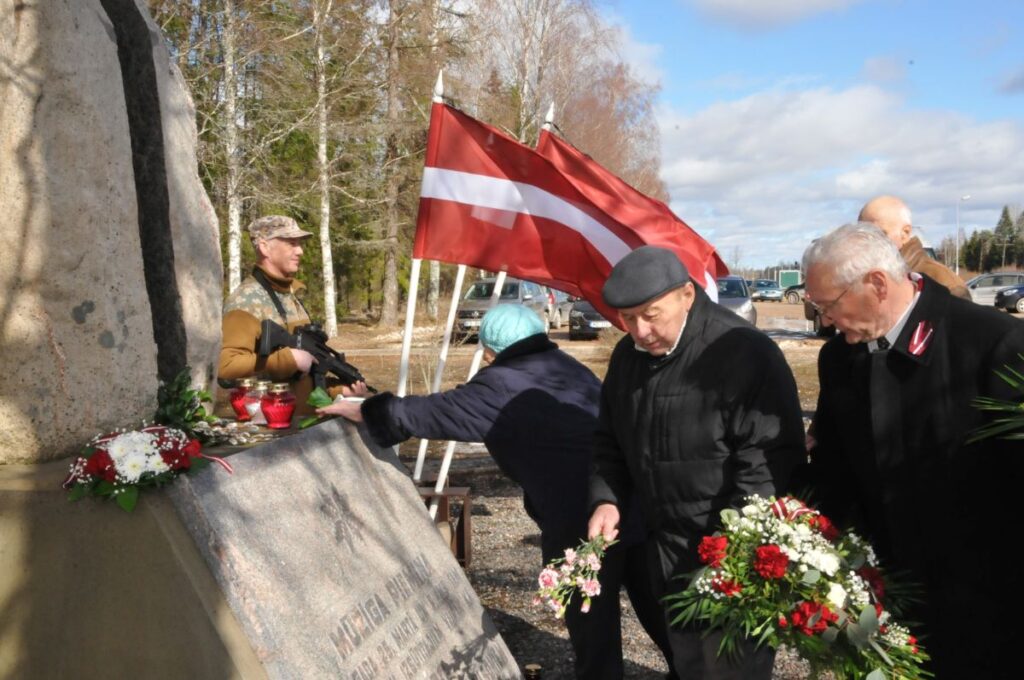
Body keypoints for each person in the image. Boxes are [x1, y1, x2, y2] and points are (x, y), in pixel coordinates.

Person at [318, 304, 675, 679]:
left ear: (489, 352)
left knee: (594, 630)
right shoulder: (566, 366)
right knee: (660, 608)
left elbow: (433, 412)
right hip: (630, 499)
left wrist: (366, 409)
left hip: (578, 519)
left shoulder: (498, 387)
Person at [802, 223, 1024, 677]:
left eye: (829, 305)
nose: (825, 320)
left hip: (989, 602)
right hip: (890, 597)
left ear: (877, 284)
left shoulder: (994, 344)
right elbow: (834, 469)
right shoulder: (839, 359)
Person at [587, 246, 805, 680]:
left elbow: (768, 463)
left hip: (732, 556)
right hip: (665, 548)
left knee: (732, 669)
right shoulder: (628, 358)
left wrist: (736, 551)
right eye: (628, 319)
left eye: (651, 315)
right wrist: (606, 500)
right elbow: (610, 442)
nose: (640, 331)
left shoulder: (742, 353)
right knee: (687, 662)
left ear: (686, 294)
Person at [218, 215, 323, 412]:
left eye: (299, 244)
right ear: (265, 247)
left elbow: (306, 372)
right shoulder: (245, 301)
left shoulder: (289, 294)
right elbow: (226, 367)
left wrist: (338, 391)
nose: (300, 251)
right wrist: (287, 360)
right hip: (269, 424)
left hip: (302, 421)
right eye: (291, 243)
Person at [858, 195, 970, 298]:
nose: (869, 242)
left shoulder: (945, 284)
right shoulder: (859, 279)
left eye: (879, 234)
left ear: (905, 233)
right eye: (864, 235)